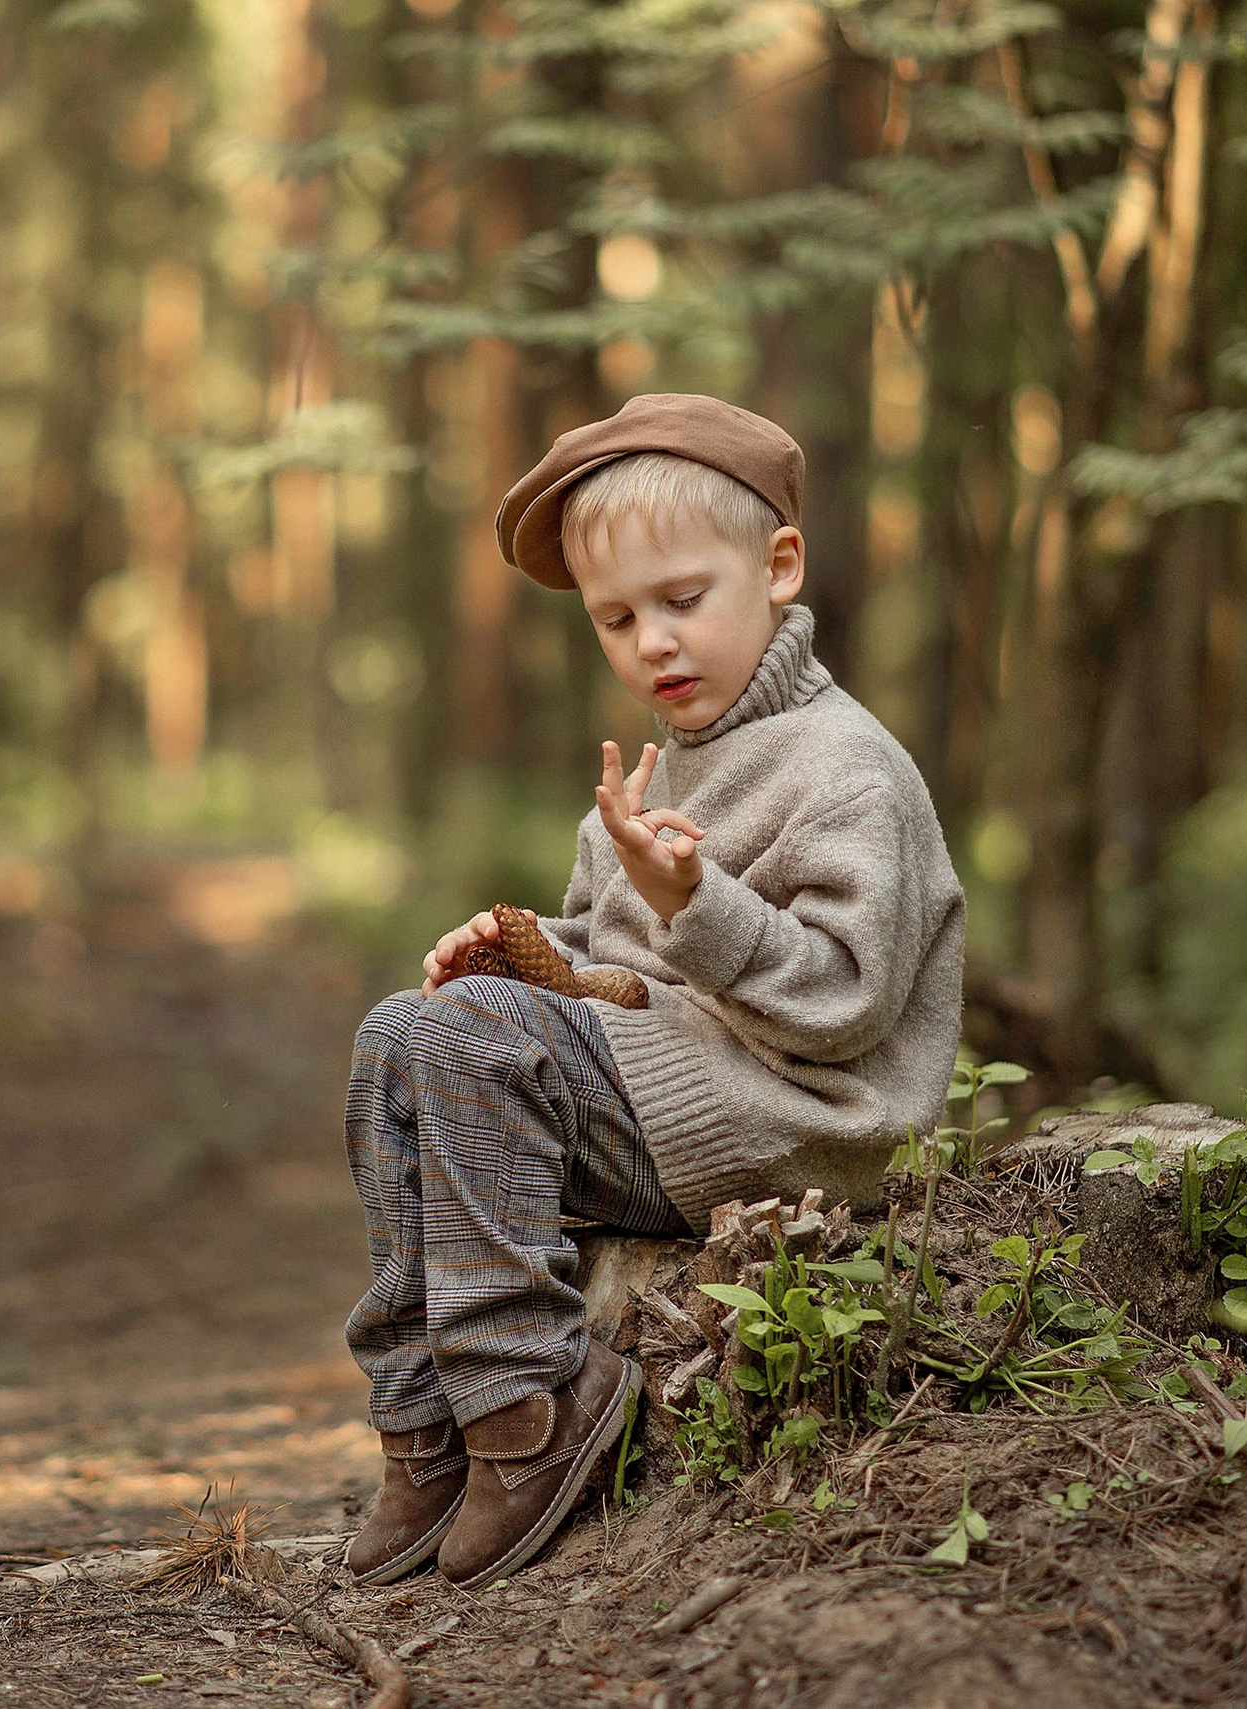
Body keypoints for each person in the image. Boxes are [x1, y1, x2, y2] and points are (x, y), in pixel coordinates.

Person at [339, 393, 966, 1589]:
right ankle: (425, 1417)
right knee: (397, 1033)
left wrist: (694, 899)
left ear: (777, 566)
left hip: (802, 1118)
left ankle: (530, 1402)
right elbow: (614, 984)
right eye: (616, 618)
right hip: (678, 1097)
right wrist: (525, 957)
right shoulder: (658, 774)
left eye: (683, 600)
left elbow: (843, 1003)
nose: (653, 644)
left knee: (467, 1039)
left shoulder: (848, 770)